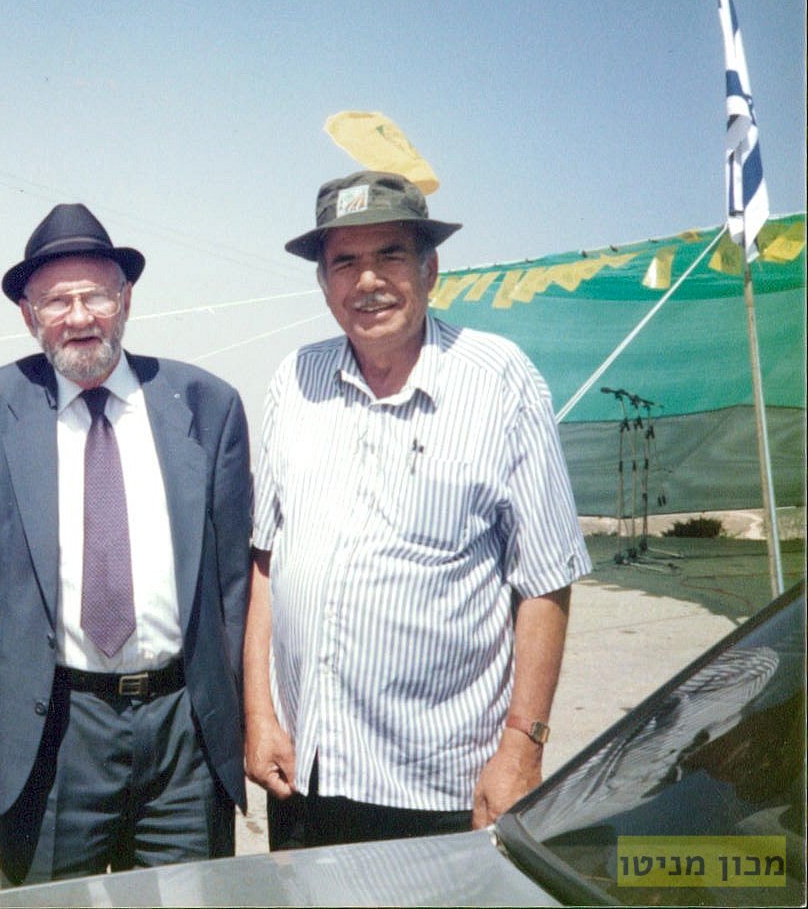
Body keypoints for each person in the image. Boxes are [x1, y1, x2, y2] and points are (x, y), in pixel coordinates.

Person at [244, 170, 590, 849]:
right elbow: (266, 562)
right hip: (307, 774)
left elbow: (546, 578)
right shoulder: (295, 380)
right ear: (323, 282)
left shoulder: (500, 380)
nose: (367, 280)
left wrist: (522, 748)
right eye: (344, 261)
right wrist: (260, 714)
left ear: (430, 269)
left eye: (390, 255)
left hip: (439, 788)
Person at [0, 203, 251, 886]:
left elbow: (233, 583)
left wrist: (235, 712)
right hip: (54, 726)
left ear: (126, 300)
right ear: (29, 315)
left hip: (184, 730)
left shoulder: (207, 404)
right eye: (56, 301)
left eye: (96, 296)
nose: (79, 317)